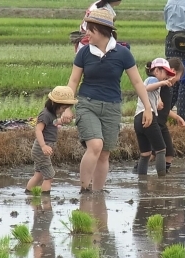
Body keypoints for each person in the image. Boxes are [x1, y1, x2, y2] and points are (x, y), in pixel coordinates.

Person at [61, 9, 153, 193]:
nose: (86, 33)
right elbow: (73, 81)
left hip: (112, 107)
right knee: (95, 145)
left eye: (90, 30)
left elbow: (137, 82)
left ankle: (98, 192)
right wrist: (67, 107)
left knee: (104, 154)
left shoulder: (123, 53)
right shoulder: (84, 53)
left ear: (102, 31)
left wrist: (148, 108)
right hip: (88, 104)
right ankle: (84, 189)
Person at [132, 58, 185, 174]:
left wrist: (159, 101)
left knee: (145, 153)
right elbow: (147, 88)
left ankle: (141, 179)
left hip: (138, 119)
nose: (166, 77)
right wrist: (161, 83)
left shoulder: (156, 84)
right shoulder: (152, 79)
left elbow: (151, 94)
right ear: (157, 70)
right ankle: (162, 179)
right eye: (165, 74)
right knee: (161, 150)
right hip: (148, 117)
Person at [25, 86, 78, 195]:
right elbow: (38, 130)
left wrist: (61, 121)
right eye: (63, 108)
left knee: (38, 174)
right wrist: (43, 146)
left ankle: (29, 194)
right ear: (54, 104)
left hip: (42, 149)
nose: (63, 111)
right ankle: (46, 201)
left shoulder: (51, 114)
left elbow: (53, 123)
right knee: (49, 175)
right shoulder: (45, 114)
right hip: (40, 149)